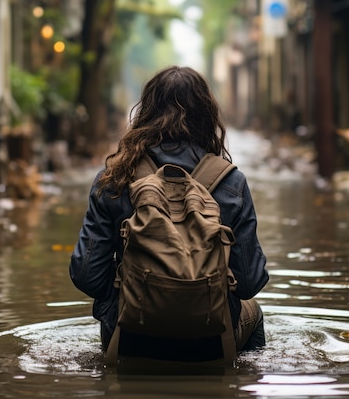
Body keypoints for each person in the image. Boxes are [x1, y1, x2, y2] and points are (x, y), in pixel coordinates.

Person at [69, 65, 269, 361]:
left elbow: (87, 277)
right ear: (207, 115)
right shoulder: (231, 183)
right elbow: (250, 281)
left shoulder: (115, 179)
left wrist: (133, 294)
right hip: (212, 342)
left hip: (128, 339)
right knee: (255, 314)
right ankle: (234, 384)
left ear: (145, 113)